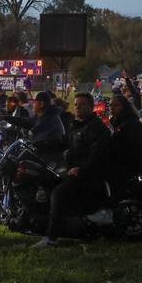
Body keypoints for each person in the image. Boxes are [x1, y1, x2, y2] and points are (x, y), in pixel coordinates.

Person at [34, 93, 112, 249]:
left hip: (88, 175)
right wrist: (39, 145)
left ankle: (51, 237)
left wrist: (81, 170)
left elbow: (98, 155)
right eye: (76, 104)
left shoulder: (96, 128)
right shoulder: (76, 125)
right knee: (46, 180)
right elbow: (63, 143)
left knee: (58, 193)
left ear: (91, 107)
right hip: (72, 170)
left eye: (82, 104)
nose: (77, 107)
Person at [1, 91, 66, 157]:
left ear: (41, 104)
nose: (32, 104)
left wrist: (27, 134)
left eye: (34, 102)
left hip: (49, 159)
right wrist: (5, 117)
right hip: (43, 154)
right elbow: (26, 121)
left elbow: (37, 136)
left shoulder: (50, 119)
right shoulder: (41, 116)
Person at [108, 94, 142, 191]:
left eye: (116, 105)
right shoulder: (117, 122)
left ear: (124, 107)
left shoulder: (130, 124)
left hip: (131, 166)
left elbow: (135, 148)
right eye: (110, 105)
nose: (112, 108)